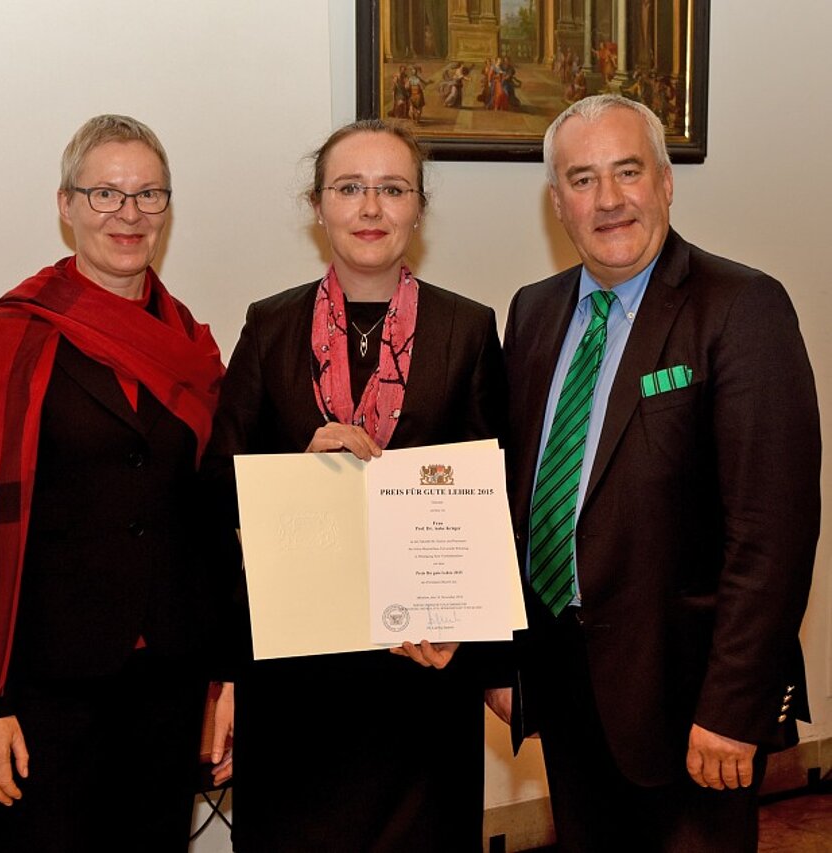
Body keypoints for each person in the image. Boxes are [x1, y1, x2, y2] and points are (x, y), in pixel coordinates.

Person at [0, 115, 233, 853]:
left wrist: (221, 678)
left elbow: (211, 519)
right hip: (44, 693)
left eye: (149, 195)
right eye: (106, 193)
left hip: (169, 682)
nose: (129, 213)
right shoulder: (5, 343)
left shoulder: (191, 347)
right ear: (65, 205)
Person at [495, 94, 820, 851]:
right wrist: (506, 658)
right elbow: (517, 494)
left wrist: (733, 709)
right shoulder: (534, 311)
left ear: (665, 183)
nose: (607, 200)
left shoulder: (741, 306)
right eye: (581, 179)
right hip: (567, 684)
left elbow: (771, 534)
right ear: (556, 203)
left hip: (689, 706)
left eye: (627, 171)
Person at [206, 118, 508, 852]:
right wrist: (300, 471)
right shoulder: (268, 325)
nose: (370, 208)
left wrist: (478, 646)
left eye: (392, 189)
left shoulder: (468, 329)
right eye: (349, 188)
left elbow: (498, 502)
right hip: (297, 676)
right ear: (318, 206)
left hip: (423, 672)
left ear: (417, 207)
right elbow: (215, 490)